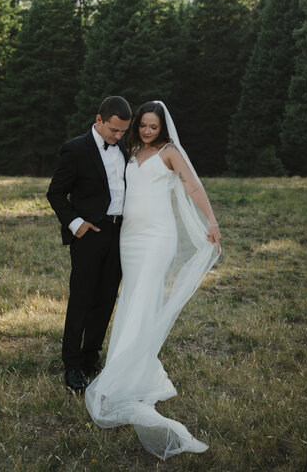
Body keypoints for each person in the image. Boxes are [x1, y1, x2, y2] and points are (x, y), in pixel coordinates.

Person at [85, 100, 221, 461]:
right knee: (131, 297)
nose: (147, 131)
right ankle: (128, 363)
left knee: (145, 295)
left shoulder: (170, 152)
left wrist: (211, 221)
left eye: (152, 127)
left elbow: (192, 187)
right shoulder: (129, 149)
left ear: (163, 127)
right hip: (129, 236)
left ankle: (131, 372)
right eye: (142, 126)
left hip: (158, 237)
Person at [47, 96, 132, 392]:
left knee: (106, 298)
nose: (119, 136)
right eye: (114, 131)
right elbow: (55, 193)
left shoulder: (123, 146)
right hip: (90, 234)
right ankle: (71, 366)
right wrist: (76, 224)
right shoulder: (75, 149)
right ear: (99, 120)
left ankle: (90, 357)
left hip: (119, 234)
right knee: (82, 299)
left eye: (123, 132)